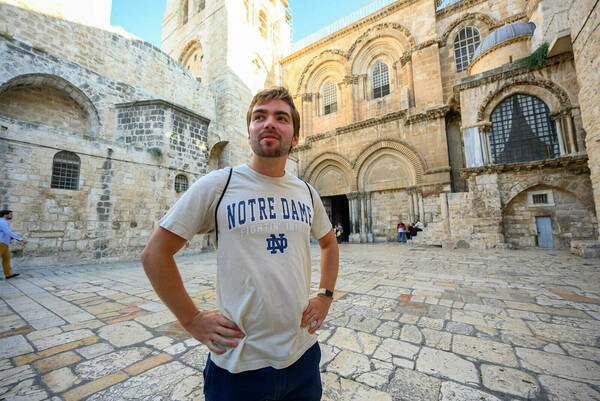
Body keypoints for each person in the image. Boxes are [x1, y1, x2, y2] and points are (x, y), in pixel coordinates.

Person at [141, 87, 339, 401]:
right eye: (259, 117)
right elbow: (155, 253)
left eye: (281, 118)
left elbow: (329, 244)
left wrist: (325, 297)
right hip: (237, 365)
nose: (269, 123)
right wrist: (191, 320)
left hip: (302, 357)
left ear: (295, 137)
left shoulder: (306, 192)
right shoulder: (219, 185)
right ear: (249, 133)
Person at [0, 210, 28, 279]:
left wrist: (10, 237)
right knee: (6, 259)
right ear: (5, 215)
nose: (12, 216)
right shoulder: (2, 222)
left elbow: (5, 232)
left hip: (4, 243)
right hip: (1, 243)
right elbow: (8, 232)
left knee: (7, 259)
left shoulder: (3, 221)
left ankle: (8, 274)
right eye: (10, 214)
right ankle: (8, 274)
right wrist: (20, 239)